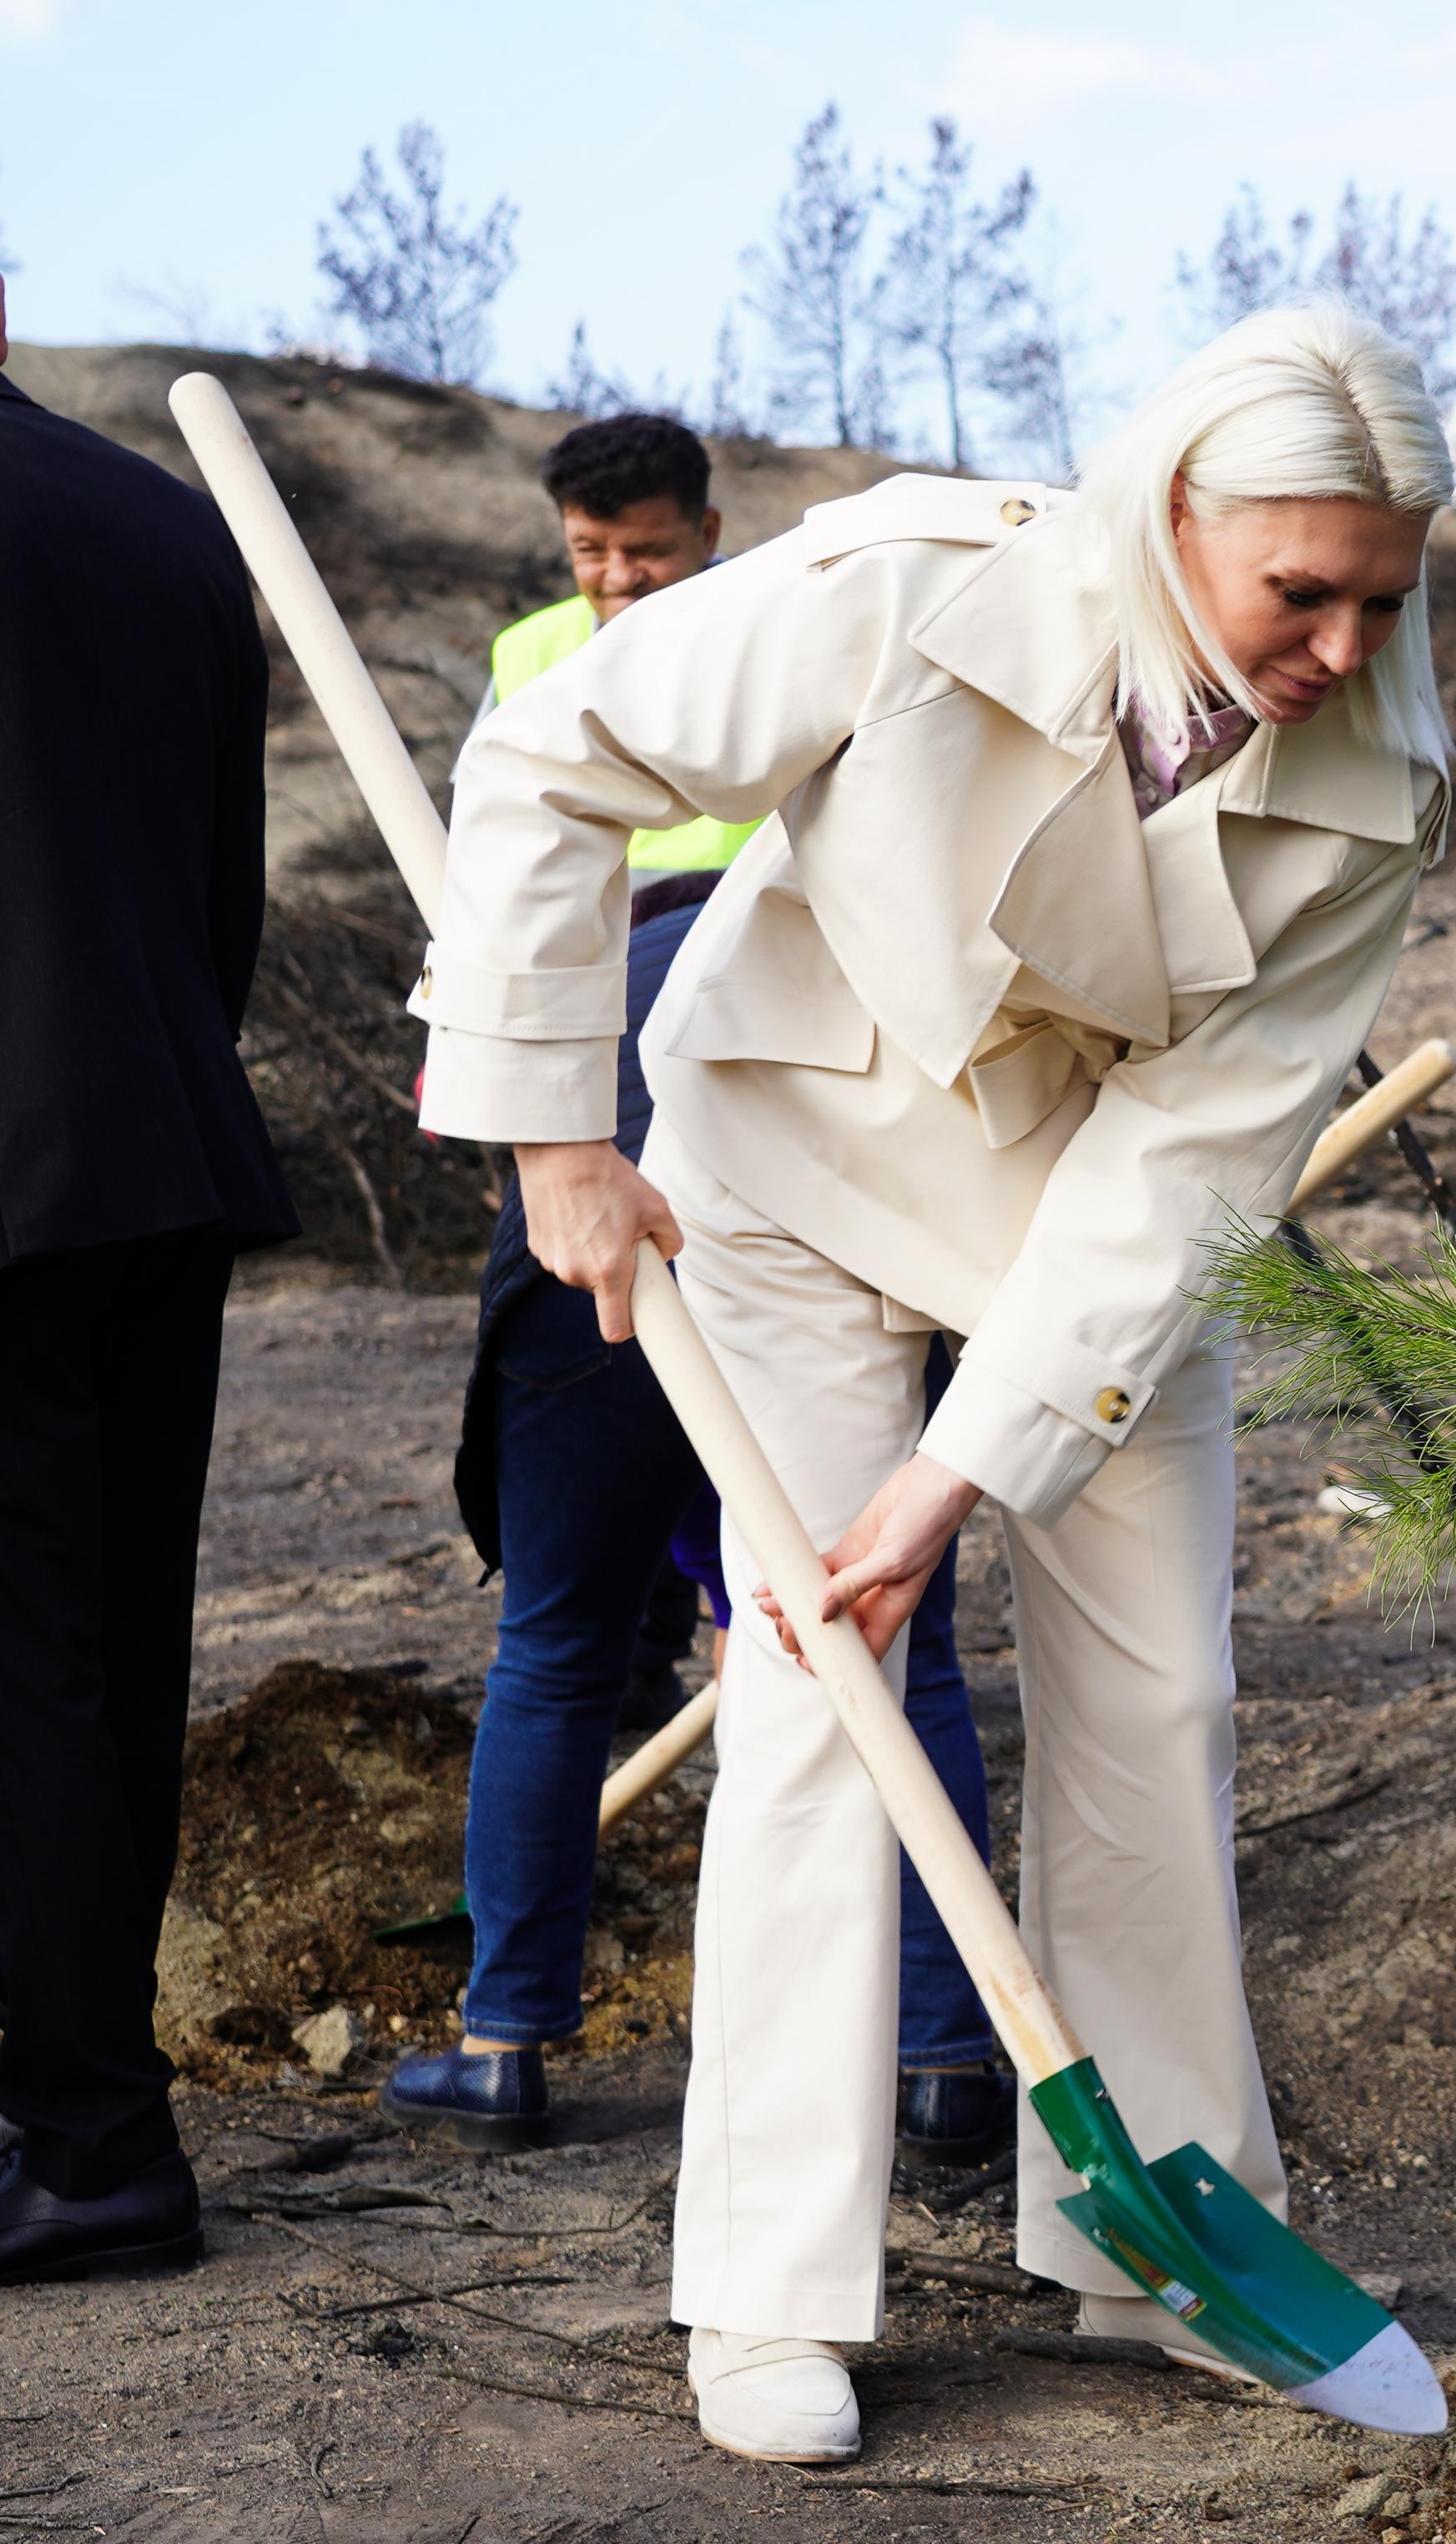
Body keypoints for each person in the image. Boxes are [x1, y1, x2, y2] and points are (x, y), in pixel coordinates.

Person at [415, 310, 1452, 2465]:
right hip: (793, 1157)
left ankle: (1154, 2246)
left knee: (1161, 1698)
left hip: (1093, 1235)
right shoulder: (909, 586)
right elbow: (554, 756)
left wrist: (960, 1471)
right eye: (1301, 590)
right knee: (823, 1690)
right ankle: (770, 2288)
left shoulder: (1378, 781)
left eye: (1384, 594)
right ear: (1177, 511)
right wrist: (556, 1137)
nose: (1344, 646)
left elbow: (1192, 1165)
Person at [386, 412, 1011, 2162]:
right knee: (890, 1631)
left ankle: (507, 2038)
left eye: (643, 551)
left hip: (624, 1191)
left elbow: (522, 953)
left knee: (560, 1637)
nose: (613, 583)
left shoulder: (748, 686)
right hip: (796, 1195)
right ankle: (946, 2055)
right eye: (587, 556)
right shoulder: (803, 874)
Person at [0, 277, 301, 2282]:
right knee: (105, 1647)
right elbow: (220, 894)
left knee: (25, 1667)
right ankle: (90, 2117)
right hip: (154, 1151)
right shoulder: (165, 520)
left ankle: (94, 2145)